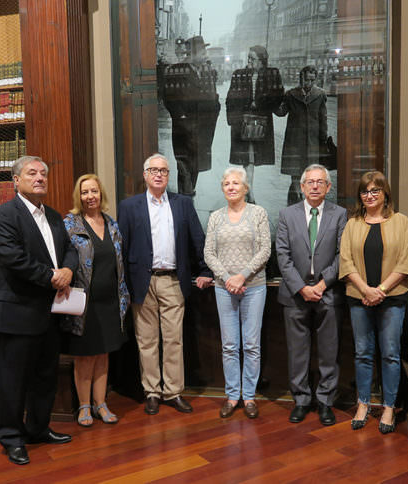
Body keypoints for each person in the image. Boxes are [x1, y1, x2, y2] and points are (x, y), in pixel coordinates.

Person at [0, 155, 78, 465]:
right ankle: (12, 438)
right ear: (16, 180)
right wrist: (52, 276)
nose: (40, 177)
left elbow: (69, 249)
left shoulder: (54, 216)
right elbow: (12, 259)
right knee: (13, 381)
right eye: (32, 173)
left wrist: (68, 269)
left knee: (45, 377)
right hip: (18, 312)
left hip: (51, 312)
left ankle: (38, 428)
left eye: (43, 173)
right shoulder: (4, 214)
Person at [117, 153, 212, 415]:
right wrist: (123, 284)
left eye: (163, 171)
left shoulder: (183, 204)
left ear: (168, 176)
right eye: (153, 170)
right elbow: (121, 249)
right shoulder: (129, 206)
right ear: (145, 175)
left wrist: (204, 269)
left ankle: (173, 392)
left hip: (172, 280)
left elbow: (197, 239)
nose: (159, 174)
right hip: (142, 281)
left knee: (173, 339)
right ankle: (152, 392)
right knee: (146, 340)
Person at [339, 170, 408, 434]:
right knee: (362, 353)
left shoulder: (402, 222)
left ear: (385, 194)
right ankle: (363, 403)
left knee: (390, 354)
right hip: (359, 298)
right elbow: (346, 261)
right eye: (365, 191)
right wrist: (365, 290)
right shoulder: (352, 224)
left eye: (375, 191)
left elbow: (406, 262)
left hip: (392, 298)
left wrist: (380, 290)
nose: (369, 196)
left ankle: (388, 407)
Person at [276, 164, 347, 426]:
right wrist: (302, 287)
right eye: (310, 182)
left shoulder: (340, 215)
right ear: (302, 186)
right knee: (298, 351)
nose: (315, 186)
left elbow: (343, 254)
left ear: (328, 187)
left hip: (328, 294)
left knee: (329, 351)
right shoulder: (287, 214)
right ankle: (302, 400)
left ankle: (326, 402)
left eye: (320, 182)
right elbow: (282, 256)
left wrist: (322, 284)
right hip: (295, 295)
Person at [204, 167, 271, 419]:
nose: (231, 187)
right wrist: (228, 278)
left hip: (254, 287)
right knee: (230, 345)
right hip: (224, 289)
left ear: (246, 188)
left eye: (236, 183)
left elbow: (265, 250)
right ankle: (232, 396)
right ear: (223, 188)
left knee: (252, 345)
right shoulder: (215, 217)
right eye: (227, 184)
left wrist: (242, 275)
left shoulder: (259, 214)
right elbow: (209, 252)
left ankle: (249, 396)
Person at [62, 174, 129, 427]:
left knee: (103, 355)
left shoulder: (112, 223)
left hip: (111, 301)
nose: (90, 196)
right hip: (84, 305)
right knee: (85, 357)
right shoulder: (70, 224)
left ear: (102, 194)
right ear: (78, 197)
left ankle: (101, 404)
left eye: (94, 191)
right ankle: (84, 406)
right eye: (85, 192)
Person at [163, 35, 221, 196]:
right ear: (193, 53)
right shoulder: (177, 70)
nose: (205, 54)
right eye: (202, 51)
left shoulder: (205, 71)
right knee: (184, 163)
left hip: (202, 126)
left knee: (196, 163)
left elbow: (211, 95)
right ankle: (184, 195)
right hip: (184, 126)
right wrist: (180, 117)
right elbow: (169, 98)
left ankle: (189, 192)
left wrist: (215, 108)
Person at [226, 45, 284, 203]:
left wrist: (258, 103)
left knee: (251, 157)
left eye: (253, 59)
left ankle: (248, 189)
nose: (249, 61)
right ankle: (248, 190)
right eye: (249, 58)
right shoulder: (239, 74)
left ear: (262, 61)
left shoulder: (272, 74)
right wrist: (232, 119)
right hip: (242, 122)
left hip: (261, 122)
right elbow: (231, 97)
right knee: (247, 157)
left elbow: (278, 95)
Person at [275, 65, 330, 206]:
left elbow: (323, 118)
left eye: (312, 80)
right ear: (301, 78)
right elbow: (281, 112)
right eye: (307, 80)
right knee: (294, 169)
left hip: (312, 140)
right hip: (294, 139)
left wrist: (323, 139)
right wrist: (274, 99)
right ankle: (295, 197)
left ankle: (306, 199)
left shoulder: (320, 95)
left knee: (310, 171)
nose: (309, 83)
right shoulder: (291, 94)